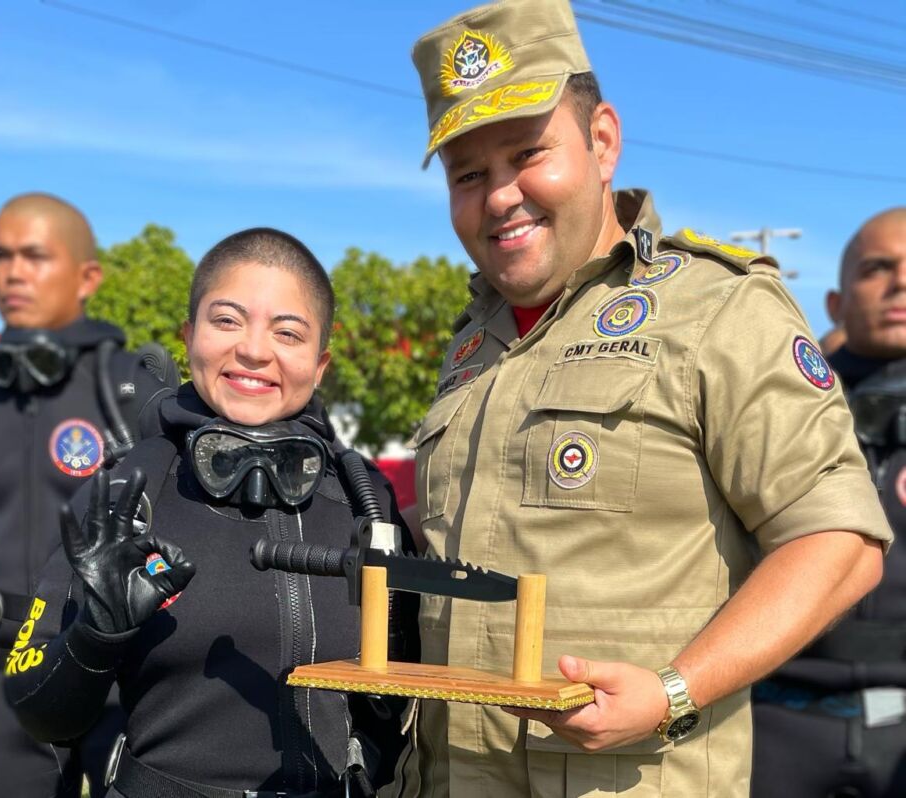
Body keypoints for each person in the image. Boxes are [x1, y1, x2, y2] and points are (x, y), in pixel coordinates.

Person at [382, 1, 893, 796]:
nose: (500, 196)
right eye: (468, 174)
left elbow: (840, 545)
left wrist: (672, 691)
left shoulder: (720, 307)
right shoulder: (472, 343)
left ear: (603, 140)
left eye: (529, 153)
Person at [4, 227, 417, 798]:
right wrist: (94, 638)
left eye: (288, 332)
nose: (253, 350)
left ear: (320, 364)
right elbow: (36, 712)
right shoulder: (125, 493)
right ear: (188, 336)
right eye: (227, 320)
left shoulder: (360, 495)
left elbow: (402, 690)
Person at [0, 192, 174, 797]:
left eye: (35, 256)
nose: (13, 272)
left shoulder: (134, 381)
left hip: (118, 661)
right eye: (1, 256)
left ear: (87, 276)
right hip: (14, 666)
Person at [752, 207, 906, 798]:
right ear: (837, 304)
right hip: (778, 721)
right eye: (878, 268)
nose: (898, 283)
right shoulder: (776, 406)